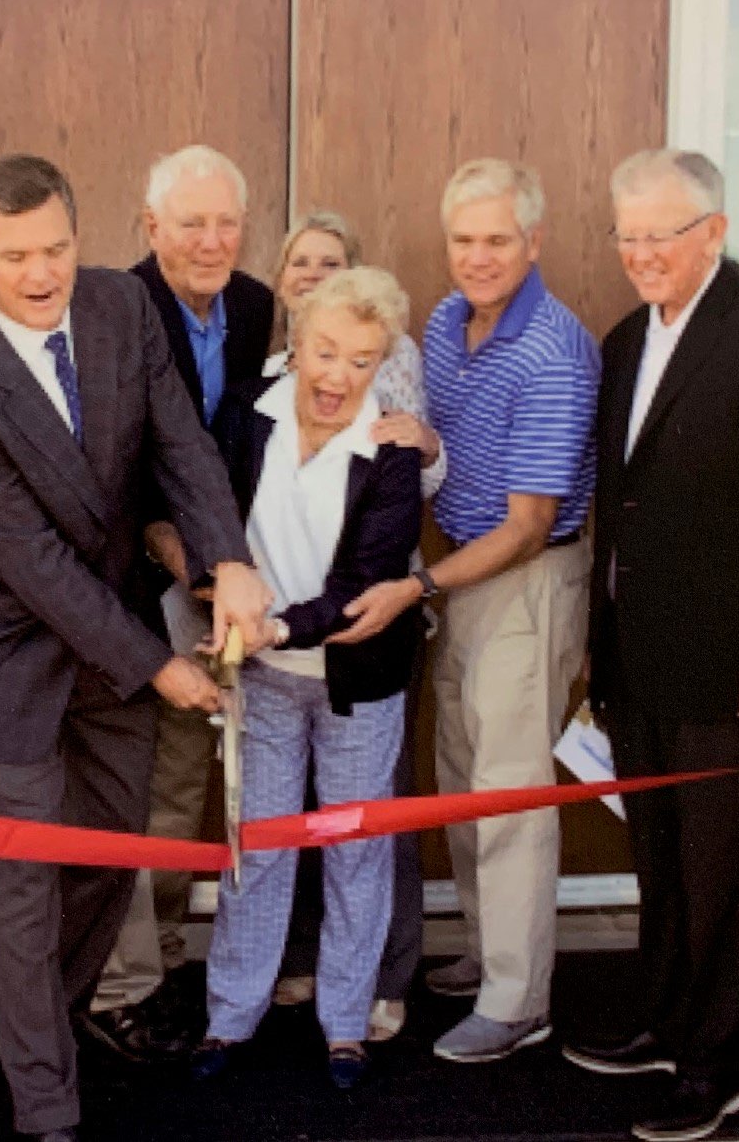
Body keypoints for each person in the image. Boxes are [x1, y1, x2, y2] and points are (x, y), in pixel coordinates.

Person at [0, 154, 271, 1142]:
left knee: (111, 863)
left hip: (112, 639)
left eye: (57, 248)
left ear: (80, 237)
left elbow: (179, 444)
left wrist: (227, 557)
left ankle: (47, 1030)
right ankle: (44, 1110)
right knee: (27, 889)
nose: (41, 273)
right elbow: (36, 570)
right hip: (17, 659)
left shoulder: (119, 306)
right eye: (17, 255)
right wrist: (162, 666)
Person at [565, 149, 739, 1142]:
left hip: (731, 672)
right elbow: (620, 505)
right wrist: (602, 643)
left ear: (712, 233)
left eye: (658, 237)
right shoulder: (629, 338)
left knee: (725, 875)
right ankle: (667, 1023)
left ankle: (717, 1067)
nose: (639, 256)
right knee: (663, 861)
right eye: (626, 236)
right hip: (637, 661)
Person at [333, 158, 600, 1063]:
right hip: (461, 573)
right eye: (463, 239)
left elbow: (528, 525)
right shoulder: (446, 322)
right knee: (462, 774)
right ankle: (490, 956)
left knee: (511, 791)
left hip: (521, 579)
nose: (477, 257)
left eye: (497, 239)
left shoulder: (555, 349)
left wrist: (420, 586)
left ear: (534, 241)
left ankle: (521, 998)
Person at [188, 268, 424, 1091]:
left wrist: (280, 624)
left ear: (382, 364)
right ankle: (230, 1016)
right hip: (260, 680)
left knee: (357, 853)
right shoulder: (244, 412)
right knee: (255, 849)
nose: (337, 376)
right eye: (325, 351)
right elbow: (204, 515)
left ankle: (346, 1027)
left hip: (354, 677)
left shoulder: (391, 449)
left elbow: (369, 581)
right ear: (297, 341)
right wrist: (219, 596)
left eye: (362, 360)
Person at [90, 145, 275, 1054]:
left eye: (226, 222)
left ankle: (162, 951)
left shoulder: (252, 305)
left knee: (184, 774)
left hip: (215, 571)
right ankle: (125, 978)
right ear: (151, 226)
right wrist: (183, 559)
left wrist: (223, 566)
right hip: (131, 571)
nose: (211, 240)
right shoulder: (118, 310)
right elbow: (119, 464)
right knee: (136, 772)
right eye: (189, 222)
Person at [262, 212, 442, 1042]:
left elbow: (410, 474)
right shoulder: (265, 384)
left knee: (366, 826)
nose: (313, 273)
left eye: (331, 263)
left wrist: (424, 446)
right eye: (301, 263)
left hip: (360, 634)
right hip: (278, 664)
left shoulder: (390, 365)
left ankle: (377, 979)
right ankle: (296, 968)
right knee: (289, 822)